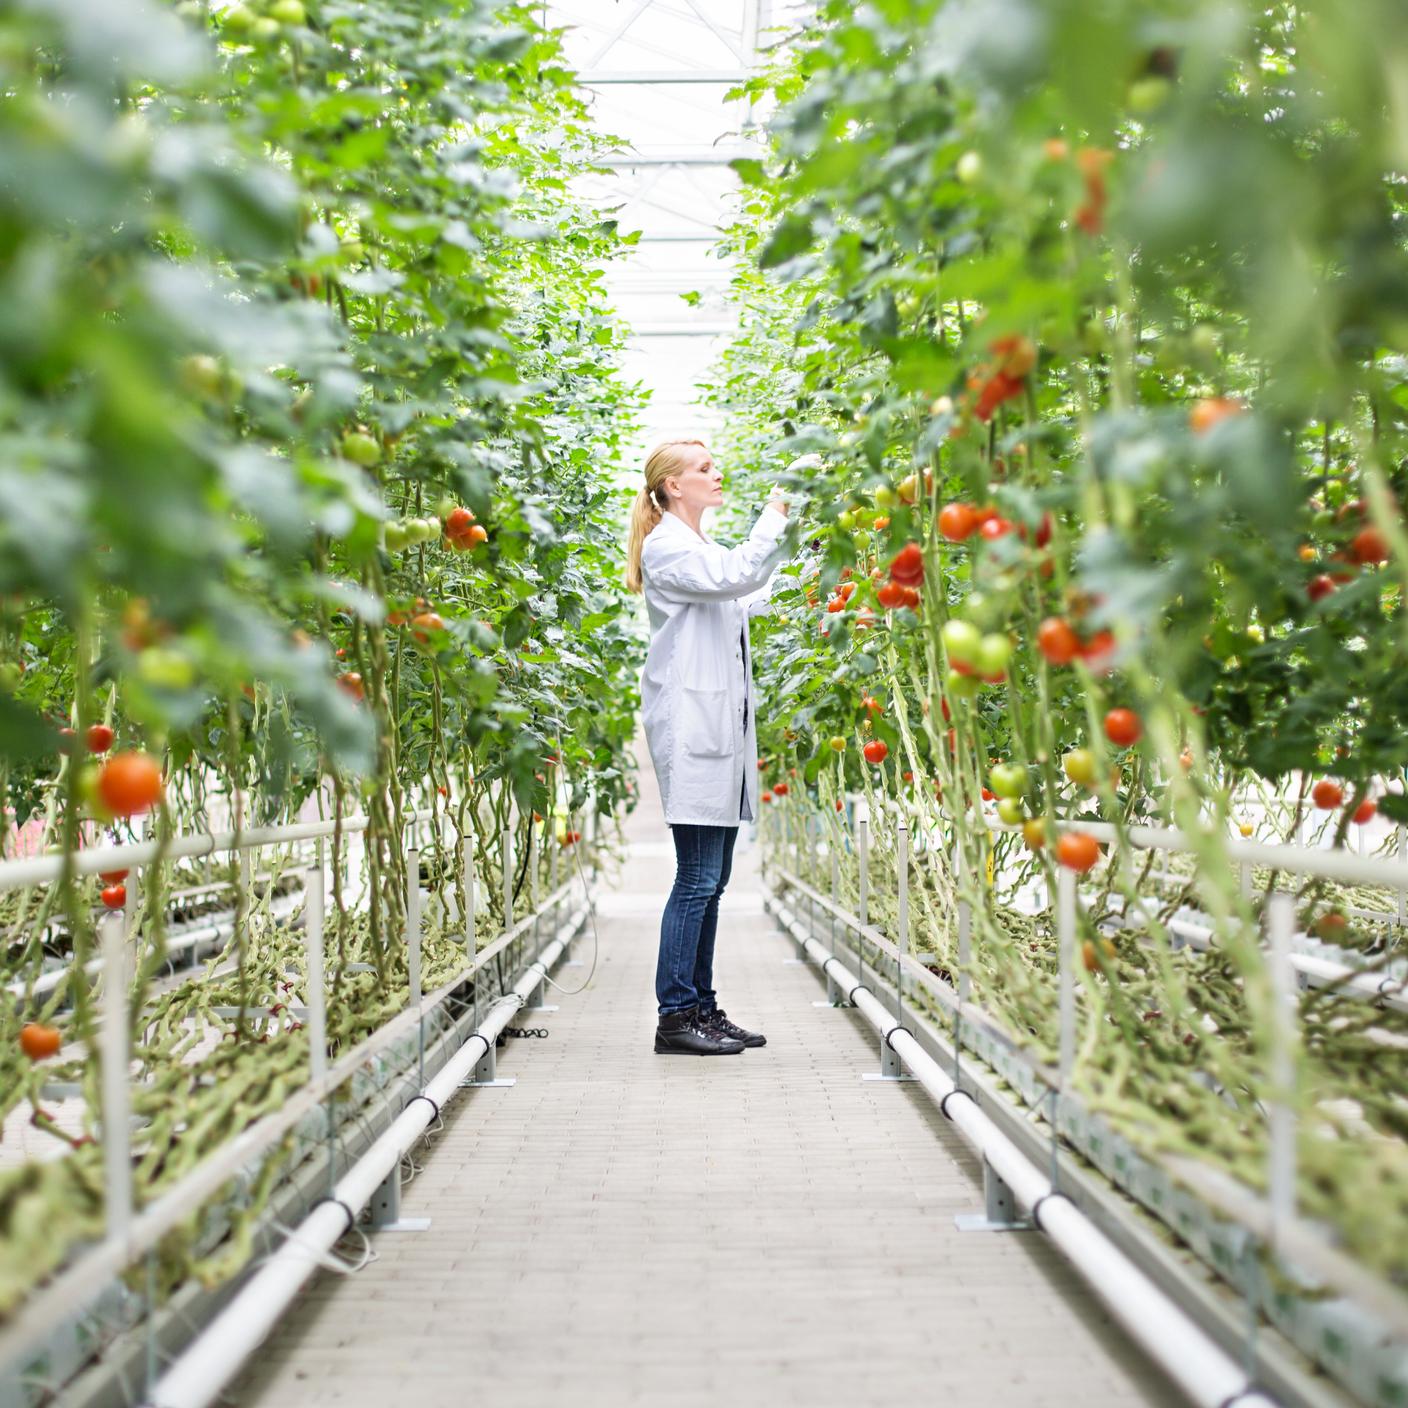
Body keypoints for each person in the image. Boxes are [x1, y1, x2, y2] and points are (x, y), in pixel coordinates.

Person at [625, 437, 813, 1056]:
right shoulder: (667, 546)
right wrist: (779, 506)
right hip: (694, 729)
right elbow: (736, 576)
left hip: (717, 730)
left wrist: (801, 570)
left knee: (714, 876)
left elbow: (741, 593)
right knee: (698, 877)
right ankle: (676, 1016)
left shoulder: (695, 545)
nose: (716, 474)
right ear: (672, 485)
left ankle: (701, 1007)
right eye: (703, 469)